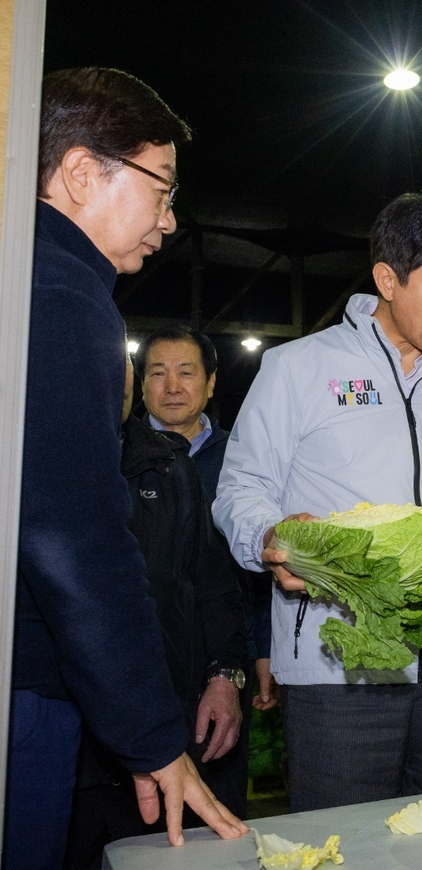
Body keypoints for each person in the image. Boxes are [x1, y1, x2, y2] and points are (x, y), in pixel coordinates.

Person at [9, 67, 246, 870]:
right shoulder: (61, 296)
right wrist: (151, 735)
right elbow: (76, 539)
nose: (171, 220)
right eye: (162, 187)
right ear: (81, 172)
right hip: (24, 694)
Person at [213, 189, 422, 811]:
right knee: (345, 842)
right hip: (338, 672)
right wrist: (269, 537)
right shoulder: (297, 368)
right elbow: (241, 487)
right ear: (387, 278)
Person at [65, 359, 246, 870]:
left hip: (170, 721)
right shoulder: (48, 464)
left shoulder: (172, 466)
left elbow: (215, 586)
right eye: (155, 373)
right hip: (68, 733)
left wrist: (225, 676)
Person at [138, 324, 276, 816]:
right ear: (139, 384)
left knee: (219, 797)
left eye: (186, 372)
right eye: (158, 373)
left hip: (223, 656)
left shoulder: (243, 461)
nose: (172, 386)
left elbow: (259, 570)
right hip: (145, 660)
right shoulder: (119, 459)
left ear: (212, 382)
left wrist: (260, 653)